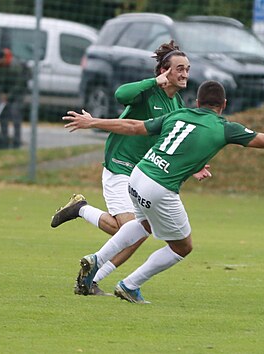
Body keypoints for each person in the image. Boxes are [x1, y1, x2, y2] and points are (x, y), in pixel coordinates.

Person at [63, 80, 264, 303]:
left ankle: (96, 260)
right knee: (183, 247)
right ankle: (129, 285)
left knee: (144, 224)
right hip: (160, 187)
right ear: (223, 105)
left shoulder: (180, 114)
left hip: (137, 176)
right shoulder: (224, 127)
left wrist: (94, 121)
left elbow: (134, 126)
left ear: (197, 102)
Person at [51, 40, 210, 295]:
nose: (185, 74)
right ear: (163, 71)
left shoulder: (177, 104)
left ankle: (90, 280)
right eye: (179, 68)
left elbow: (171, 141)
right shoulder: (148, 91)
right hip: (120, 165)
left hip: (142, 174)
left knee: (139, 231)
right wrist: (153, 82)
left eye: (187, 69)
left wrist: (194, 167)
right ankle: (80, 210)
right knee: (126, 230)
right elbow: (121, 94)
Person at [0, 47, 27, 149]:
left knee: (15, 114)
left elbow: (19, 83)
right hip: (4, 91)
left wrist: (9, 95)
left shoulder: (15, 66)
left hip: (18, 92)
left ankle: (16, 142)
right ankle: (4, 141)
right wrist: (2, 93)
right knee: (3, 116)